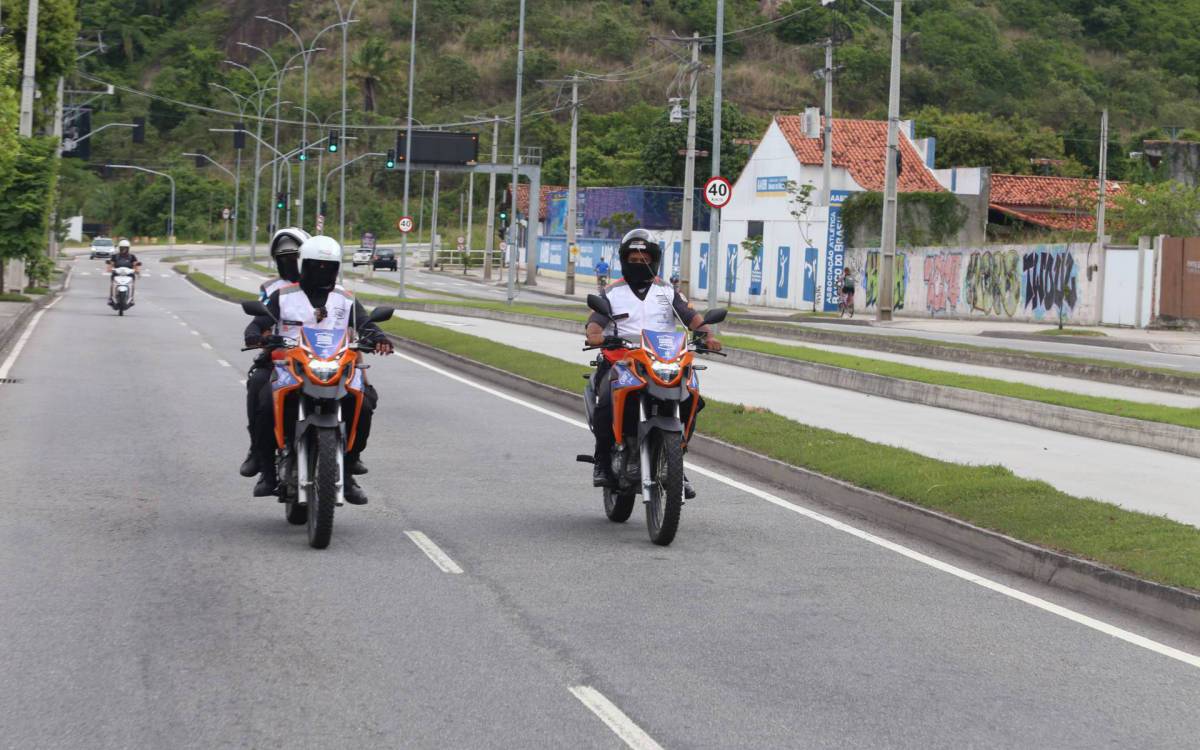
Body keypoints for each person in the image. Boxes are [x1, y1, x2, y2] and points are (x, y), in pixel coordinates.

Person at [245, 235, 394, 504]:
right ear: (304, 264)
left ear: (337, 267)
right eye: (315, 265)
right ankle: (267, 471)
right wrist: (256, 335)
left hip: (336, 366)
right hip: (289, 366)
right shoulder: (283, 296)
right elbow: (257, 323)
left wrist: (380, 338)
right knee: (266, 402)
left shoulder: (345, 299)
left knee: (366, 402)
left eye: (328, 266)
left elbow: (365, 323)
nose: (322, 271)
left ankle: (348, 470)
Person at [584, 228, 722, 498]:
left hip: (663, 360)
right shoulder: (611, 292)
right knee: (605, 400)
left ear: (654, 259)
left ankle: (675, 463)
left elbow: (691, 317)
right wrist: (596, 336)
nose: (639, 263)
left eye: (644, 258)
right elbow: (595, 322)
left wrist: (707, 335)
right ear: (624, 260)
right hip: (621, 360)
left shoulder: (668, 292)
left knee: (694, 397)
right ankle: (602, 461)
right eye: (633, 259)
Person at [238, 227, 309, 479]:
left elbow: (349, 320)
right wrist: (257, 335)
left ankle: (348, 462)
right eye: (284, 258)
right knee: (260, 389)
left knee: (362, 393)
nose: (289, 262)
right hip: (281, 359)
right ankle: (261, 457)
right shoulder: (273, 290)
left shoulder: (329, 286)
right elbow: (260, 320)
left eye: (295, 256)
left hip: (323, 358)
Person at [105, 239, 141, 305]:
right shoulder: (115, 256)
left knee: (132, 285)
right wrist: (110, 268)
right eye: (122, 248)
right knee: (112, 284)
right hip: (117, 274)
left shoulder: (132, 257)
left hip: (129, 274)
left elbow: (136, 264)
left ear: (128, 248)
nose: (124, 250)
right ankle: (111, 298)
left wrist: (137, 270)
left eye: (125, 248)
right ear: (119, 248)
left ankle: (131, 298)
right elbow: (111, 264)